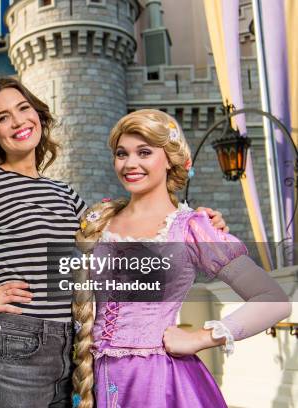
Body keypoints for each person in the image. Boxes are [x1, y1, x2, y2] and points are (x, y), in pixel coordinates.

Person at [0, 78, 227, 407]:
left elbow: (113, 241)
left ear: (38, 114)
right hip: (16, 350)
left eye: (23, 108)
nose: (18, 121)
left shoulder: (64, 194)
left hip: (73, 351)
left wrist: (191, 222)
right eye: (2, 117)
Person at [72, 109, 291, 408]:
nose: (130, 163)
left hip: (159, 385)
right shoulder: (99, 221)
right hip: (92, 378)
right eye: (122, 154)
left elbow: (273, 298)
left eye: (144, 152)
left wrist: (201, 337)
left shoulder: (192, 228)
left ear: (170, 160)